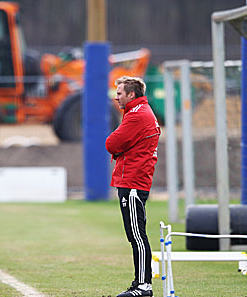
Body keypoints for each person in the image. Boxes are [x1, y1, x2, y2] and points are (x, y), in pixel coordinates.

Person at [106, 76, 161, 297]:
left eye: (119, 93)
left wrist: (120, 150)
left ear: (131, 94)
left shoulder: (138, 115)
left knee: (137, 235)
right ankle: (140, 283)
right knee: (136, 234)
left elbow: (111, 143)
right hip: (132, 181)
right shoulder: (137, 112)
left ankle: (143, 285)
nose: (115, 97)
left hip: (133, 182)